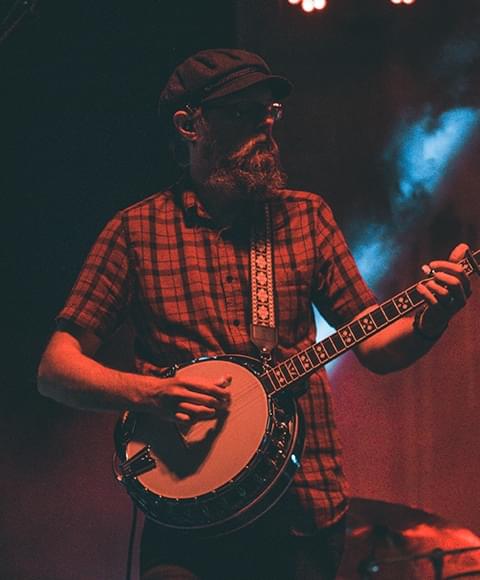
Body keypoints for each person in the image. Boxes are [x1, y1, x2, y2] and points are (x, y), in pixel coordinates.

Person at [37, 49, 473, 580]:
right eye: (243, 111)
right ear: (189, 125)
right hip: (186, 515)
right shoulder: (135, 232)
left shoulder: (305, 217)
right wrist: (150, 393)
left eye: (270, 110)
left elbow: (375, 348)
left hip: (301, 511)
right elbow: (55, 370)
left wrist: (431, 320)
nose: (265, 124)